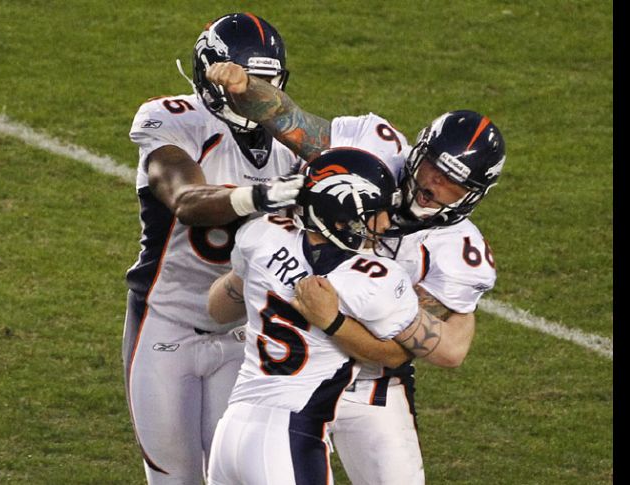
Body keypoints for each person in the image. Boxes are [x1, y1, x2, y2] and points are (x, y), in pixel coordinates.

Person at [205, 61, 506, 484]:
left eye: (452, 184)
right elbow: (289, 119)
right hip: (292, 372)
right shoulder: (373, 147)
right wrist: (245, 85)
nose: (434, 186)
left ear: (472, 195)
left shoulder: (458, 250)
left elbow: (447, 349)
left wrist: (322, 307)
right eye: (434, 169)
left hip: (372, 386)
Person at [123, 14, 305, 484]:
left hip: (243, 334)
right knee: (175, 478)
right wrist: (264, 196)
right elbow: (186, 202)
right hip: (167, 324)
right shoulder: (173, 118)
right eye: (246, 79)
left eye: (267, 81)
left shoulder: (289, 140)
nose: (255, 92)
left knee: (239, 474)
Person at [206, 148, 419, 485]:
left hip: (231, 430)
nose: (385, 223)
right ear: (341, 216)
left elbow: (217, 308)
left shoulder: (264, 234)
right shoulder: (376, 278)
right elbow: (395, 355)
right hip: (290, 437)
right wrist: (333, 322)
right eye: (375, 213)